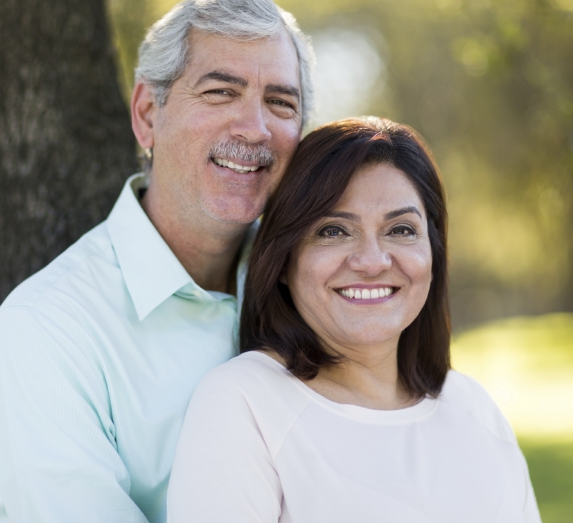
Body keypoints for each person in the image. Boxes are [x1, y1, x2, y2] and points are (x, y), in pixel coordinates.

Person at [0, 0, 315, 523]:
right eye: (222, 92)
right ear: (147, 115)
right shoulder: (46, 334)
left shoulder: (318, 292)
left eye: (281, 102)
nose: (255, 128)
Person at [167, 117, 541, 523]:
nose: (372, 261)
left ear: (433, 253)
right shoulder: (244, 403)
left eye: (400, 229)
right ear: (282, 260)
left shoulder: (474, 410)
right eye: (333, 231)